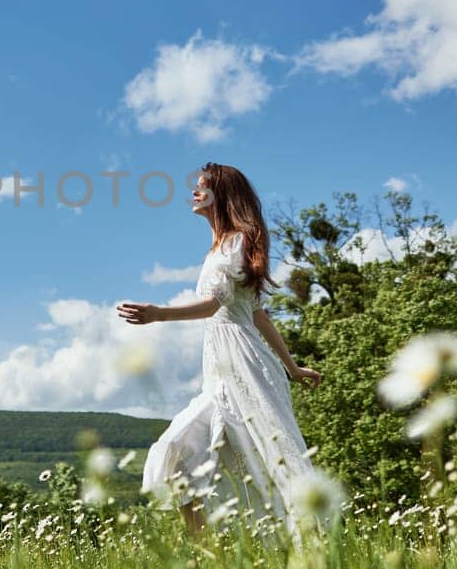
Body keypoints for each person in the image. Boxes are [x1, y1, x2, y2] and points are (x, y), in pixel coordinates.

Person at [117, 162, 324, 541]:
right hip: (221, 365)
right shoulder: (222, 247)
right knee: (180, 451)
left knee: (267, 455)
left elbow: (222, 306)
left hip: (243, 363)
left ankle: (302, 540)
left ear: (223, 194)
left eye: (203, 187)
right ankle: (209, 552)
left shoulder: (237, 242)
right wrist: (292, 367)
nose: (194, 193)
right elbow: (259, 314)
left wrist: (158, 314)